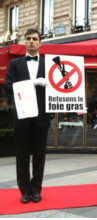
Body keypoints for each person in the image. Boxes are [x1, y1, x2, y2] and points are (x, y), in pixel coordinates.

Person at [4, 29, 50, 204]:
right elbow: (7, 87)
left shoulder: (48, 64)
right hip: (22, 115)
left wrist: (73, 104)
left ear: (40, 43)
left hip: (42, 116)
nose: (31, 41)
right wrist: (31, 83)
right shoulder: (15, 64)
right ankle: (24, 191)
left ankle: (36, 190)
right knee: (22, 155)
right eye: (29, 39)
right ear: (25, 42)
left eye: (35, 39)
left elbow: (59, 88)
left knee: (39, 155)